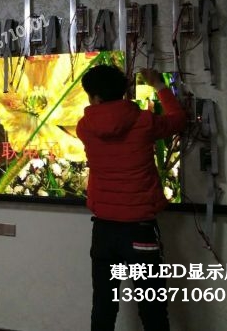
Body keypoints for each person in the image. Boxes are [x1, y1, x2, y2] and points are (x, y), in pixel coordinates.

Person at [76, 65, 187, 331]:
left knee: (103, 304)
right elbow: (179, 120)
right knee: (152, 307)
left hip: (103, 230)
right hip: (140, 231)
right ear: (124, 91)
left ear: (94, 97)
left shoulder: (85, 127)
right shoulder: (144, 122)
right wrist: (159, 85)